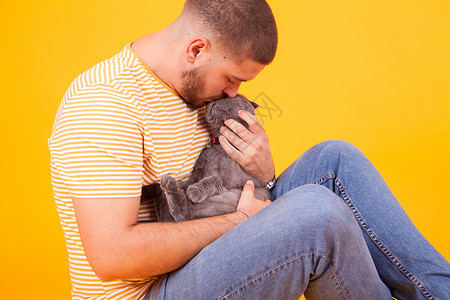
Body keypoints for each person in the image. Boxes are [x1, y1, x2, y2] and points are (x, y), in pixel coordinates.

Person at [48, 0, 450, 299]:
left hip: (202, 253)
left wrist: (264, 175)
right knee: (317, 215)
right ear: (196, 49)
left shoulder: (194, 89)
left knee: (335, 159)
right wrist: (239, 221)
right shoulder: (103, 104)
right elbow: (111, 256)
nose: (234, 93)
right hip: (150, 292)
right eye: (232, 78)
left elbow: (226, 189)